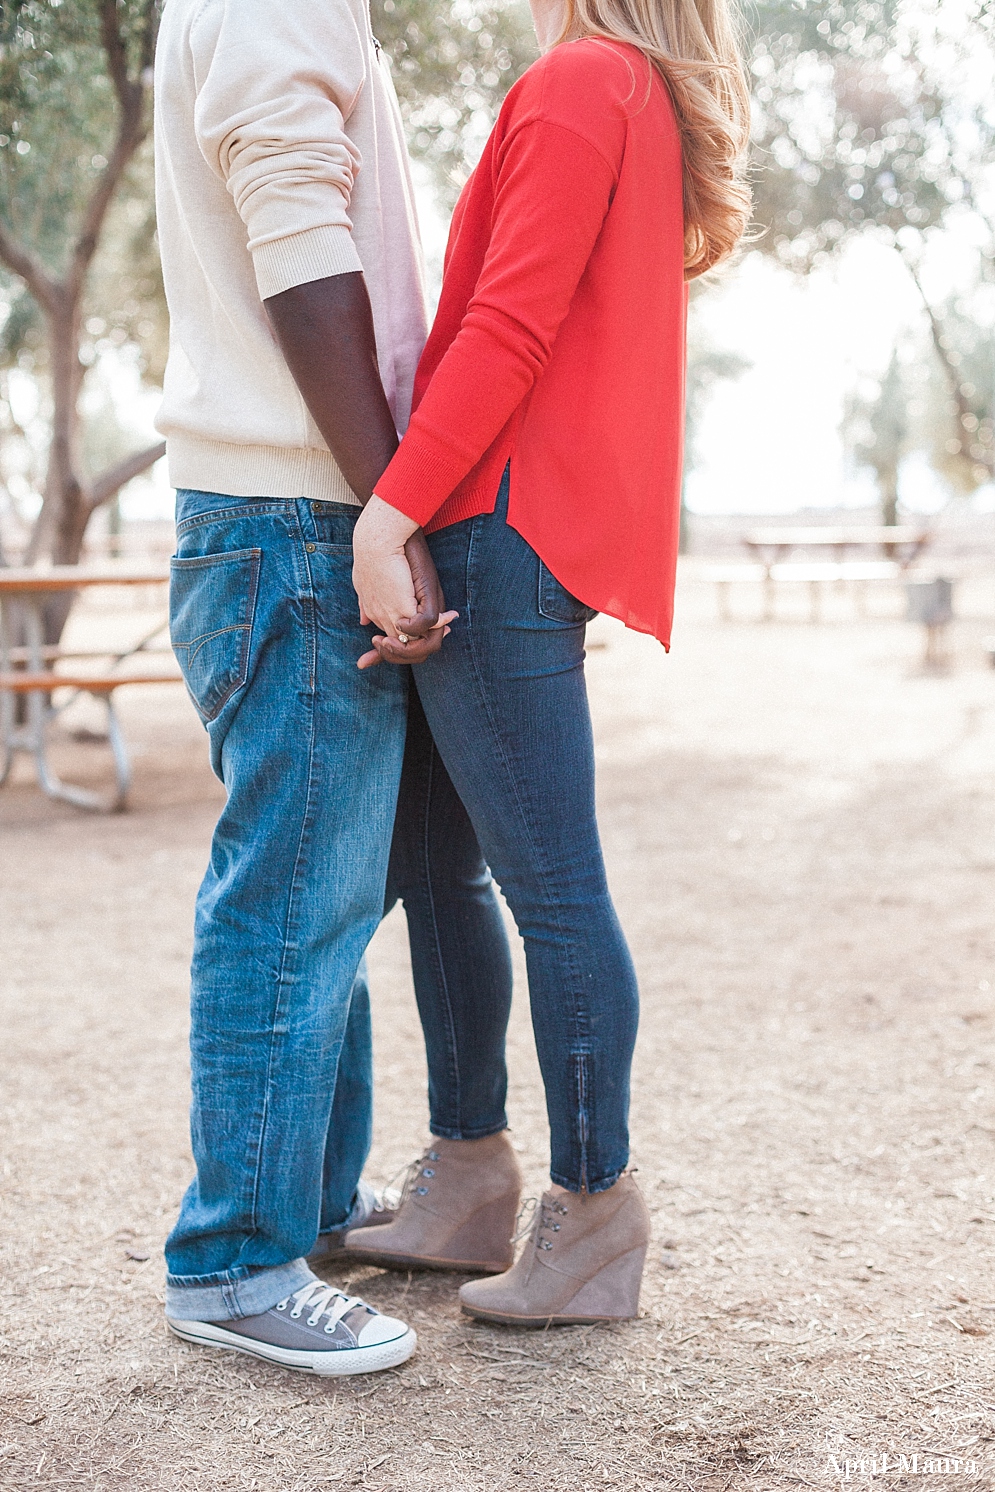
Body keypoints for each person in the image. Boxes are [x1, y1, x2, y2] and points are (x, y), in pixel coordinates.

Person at [346, 0, 752, 1324]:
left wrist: (390, 510)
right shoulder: (622, 86)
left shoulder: (587, 77)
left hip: (497, 529)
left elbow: (509, 328)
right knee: (438, 867)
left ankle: (591, 1211)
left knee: (551, 890)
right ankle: (469, 1174)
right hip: (498, 523)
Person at [153, 0, 473, 1376]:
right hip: (295, 513)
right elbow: (299, 248)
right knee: (291, 893)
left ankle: (313, 1206)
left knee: (328, 893)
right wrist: (386, 502)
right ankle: (233, 1265)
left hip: (296, 511)